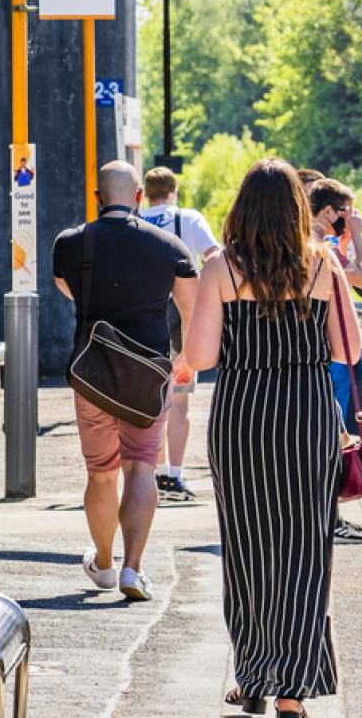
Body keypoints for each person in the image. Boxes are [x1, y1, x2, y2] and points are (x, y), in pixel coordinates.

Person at [179, 159, 347, 715]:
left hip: (244, 414)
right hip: (306, 415)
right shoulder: (324, 267)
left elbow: (200, 357)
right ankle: (292, 690)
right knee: (304, 550)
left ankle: (253, 674)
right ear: (299, 211)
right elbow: (348, 352)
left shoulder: (222, 270)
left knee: (248, 547)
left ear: (242, 210)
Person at [51, 161, 198, 602]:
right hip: (148, 378)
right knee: (141, 468)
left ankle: (103, 562)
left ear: (98, 198)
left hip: (92, 375)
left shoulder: (71, 243)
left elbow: (66, 288)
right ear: (138, 197)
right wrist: (185, 359)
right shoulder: (169, 246)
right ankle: (133, 569)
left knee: (100, 474)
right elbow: (188, 309)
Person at [138, 166, 221, 502]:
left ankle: (153, 474)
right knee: (180, 402)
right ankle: (175, 475)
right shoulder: (188, 219)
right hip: (182, 321)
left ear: (145, 192)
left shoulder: (136, 220)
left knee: (150, 402)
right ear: (173, 191)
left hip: (143, 322)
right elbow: (215, 257)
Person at [305, 176, 362, 546]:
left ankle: (323, 515)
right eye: (346, 212)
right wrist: (358, 237)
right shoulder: (322, 248)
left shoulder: (306, 241)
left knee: (327, 436)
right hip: (329, 355)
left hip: (313, 354)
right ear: (330, 211)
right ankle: (327, 517)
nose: (350, 218)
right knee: (333, 437)